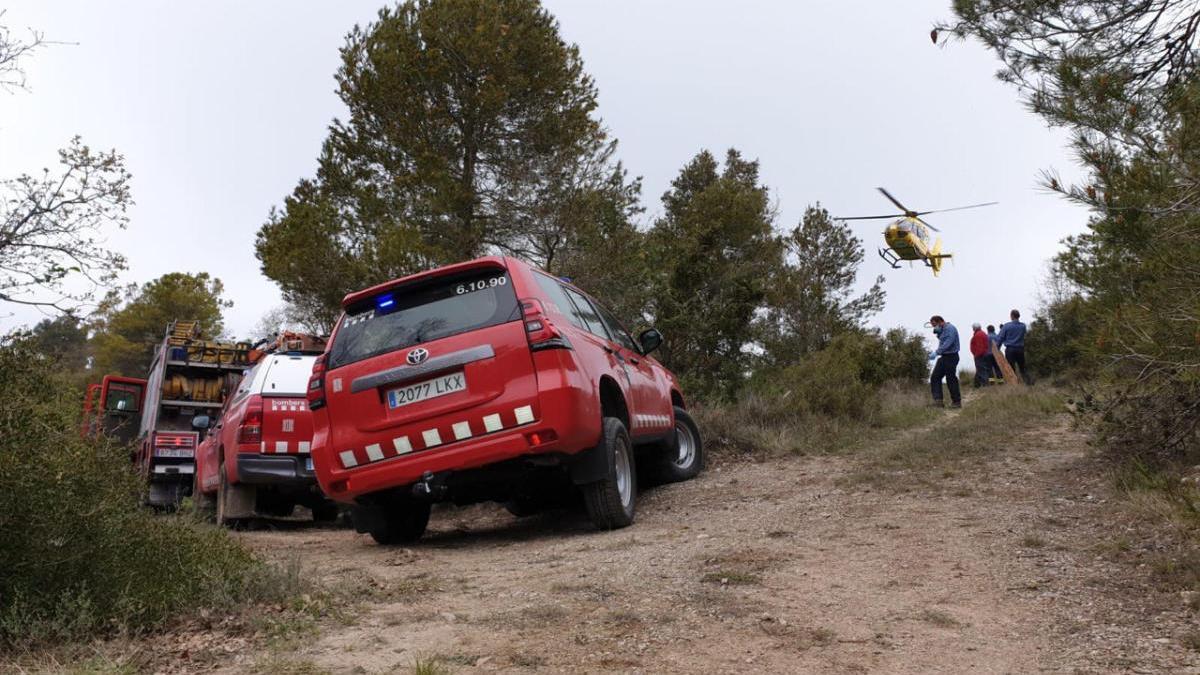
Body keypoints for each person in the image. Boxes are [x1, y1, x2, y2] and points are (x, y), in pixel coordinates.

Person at [928, 315, 961, 408]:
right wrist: (939, 333)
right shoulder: (943, 329)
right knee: (935, 377)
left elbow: (948, 343)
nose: (934, 327)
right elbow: (943, 340)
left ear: (940, 321)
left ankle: (956, 402)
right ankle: (938, 401)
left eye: (934, 325)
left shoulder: (950, 329)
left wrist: (936, 352)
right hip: (944, 357)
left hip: (951, 356)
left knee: (950, 379)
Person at [996, 309, 1030, 384]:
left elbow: (1000, 338)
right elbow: (1024, 335)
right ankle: (1028, 382)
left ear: (1012, 316)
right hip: (1020, 349)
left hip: (1010, 350)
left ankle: (1014, 384)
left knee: (1011, 368)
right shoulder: (1023, 326)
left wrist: (997, 348)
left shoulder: (1007, 326)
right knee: (1023, 367)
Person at [969, 323, 990, 388]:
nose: (972, 329)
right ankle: (976, 385)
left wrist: (977, 355)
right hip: (983, 354)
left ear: (975, 328)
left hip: (980, 355)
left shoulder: (978, 335)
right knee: (980, 370)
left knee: (982, 370)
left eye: (973, 328)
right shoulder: (982, 333)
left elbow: (980, 346)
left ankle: (985, 385)